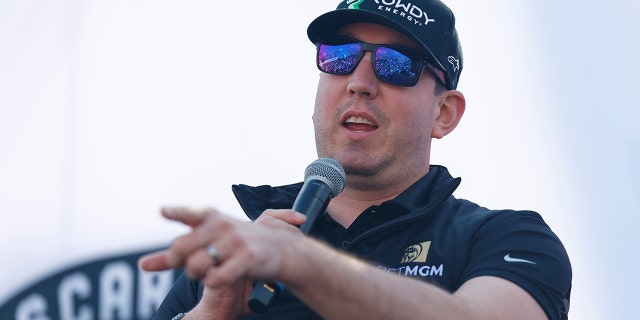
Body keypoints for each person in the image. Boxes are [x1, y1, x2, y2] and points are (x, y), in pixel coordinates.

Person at [139, 0, 572, 319]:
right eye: (340, 56)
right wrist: (209, 314)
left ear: (444, 114)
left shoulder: (508, 239)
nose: (359, 82)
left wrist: (303, 263)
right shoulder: (238, 257)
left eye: (396, 64)